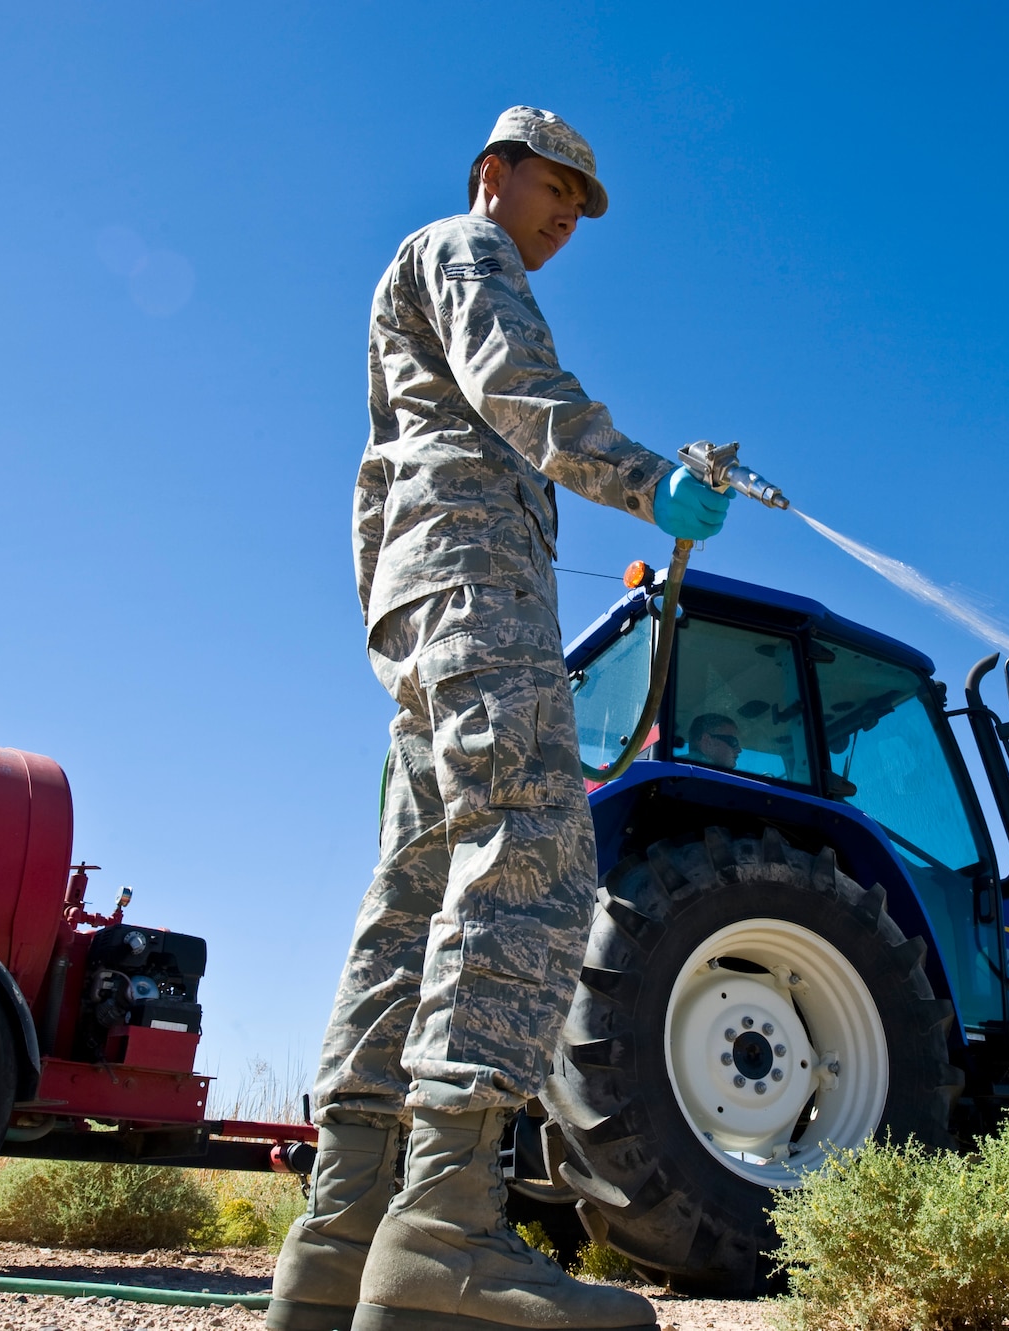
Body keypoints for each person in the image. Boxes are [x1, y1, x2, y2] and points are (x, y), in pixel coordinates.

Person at [266, 107, 731, 1331]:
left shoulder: (426, 270)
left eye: (580, 208)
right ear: (494, 173)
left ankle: (340, 1239)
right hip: (475, 582)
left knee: (416, 893)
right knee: (532, 849)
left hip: (425, 599)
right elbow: (514, 382)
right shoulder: (465, 249)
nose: (564, 217)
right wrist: (645, 480)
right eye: (552, 190)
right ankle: (449, 1227)